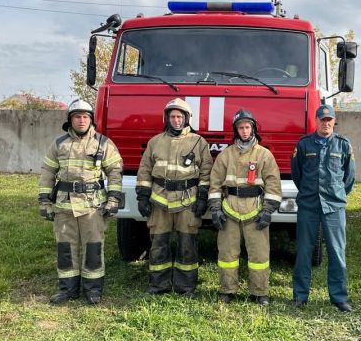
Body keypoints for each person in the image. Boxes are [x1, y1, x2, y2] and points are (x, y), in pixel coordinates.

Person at [38, 99, 123, 305]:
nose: (82, 120)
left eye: (85, 117)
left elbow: (114, 172)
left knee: (93, 248)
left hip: (93, 207)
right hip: (64, 206)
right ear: (70, 120)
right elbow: (48, 172)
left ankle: (93, 289)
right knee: (66, 248)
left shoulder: (103, 143)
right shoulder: (59, 144)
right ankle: (68, 290)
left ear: (91, 120)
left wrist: (113, 199)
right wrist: (44, 201)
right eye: (77, 117)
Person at [136, 98, 213, 297]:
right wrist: (143, 196)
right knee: (158, 244)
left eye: (180, 116)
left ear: (187, 119)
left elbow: (206, 173)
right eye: (172, 116)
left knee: (187, 245)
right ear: (167, 118)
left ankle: (186, 287)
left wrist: (203, 198)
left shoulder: (198, 142)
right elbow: (145, 170)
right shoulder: (155, 142)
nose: (176, 120)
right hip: (159, 201)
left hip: (188, 202)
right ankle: (158, 286)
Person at [208, 110, 282, 306]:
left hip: (255, 211)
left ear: (253, 129)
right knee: (227, 254)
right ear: (236, 130)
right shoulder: (226, 155)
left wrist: (267, 211)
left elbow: (273, 185)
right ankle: (227, 290)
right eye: (241, 127)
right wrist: (215, 209)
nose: (245, 131)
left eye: (248, 127)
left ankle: (260, 293)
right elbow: (215, 183)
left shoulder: (264, 155)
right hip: (229, 210)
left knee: (259, 254)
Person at [291, 104, 355, 312]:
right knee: (304, 251)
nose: (326, 123)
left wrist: (336, 195)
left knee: (337, 252)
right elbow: (297, 174)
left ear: (334, 122)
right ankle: (300, 295)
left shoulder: (343, 145)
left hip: (334, 206)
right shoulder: (304, 144)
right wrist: (310, 193)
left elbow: (349, 178)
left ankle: (339, 297)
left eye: (329, 120)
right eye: (322, 120)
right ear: (316, 121)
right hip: (309, 205)